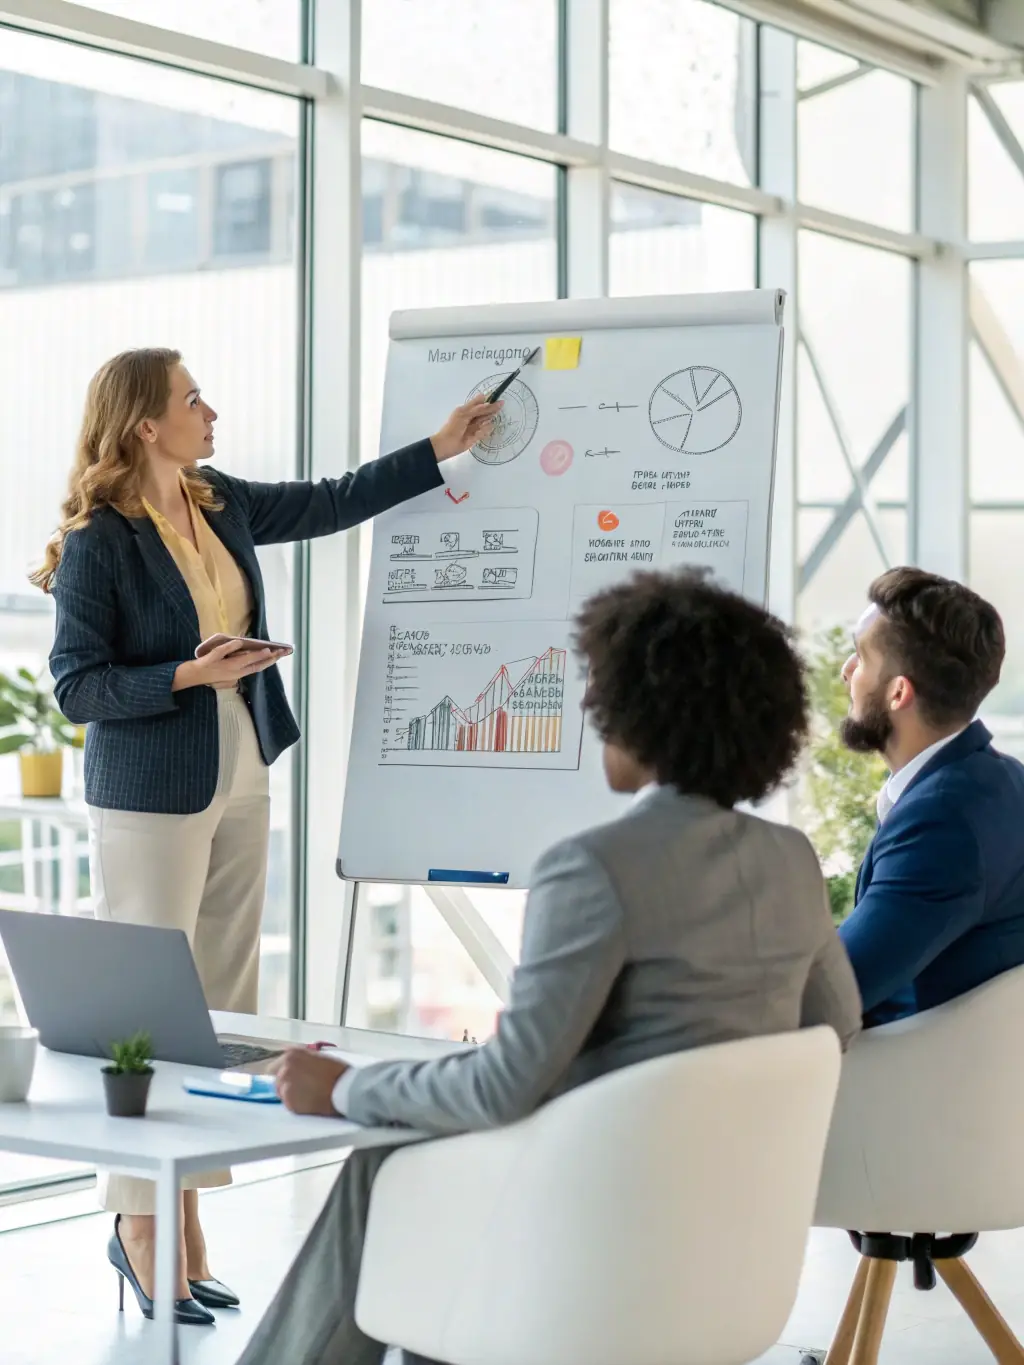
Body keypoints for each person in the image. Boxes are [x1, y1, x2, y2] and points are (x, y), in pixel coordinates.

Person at [235, 567, 862, 1365]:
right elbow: (835, 1027)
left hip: (590, 1230)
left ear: (636, 712)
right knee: (427, 1179)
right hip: (720, 1238)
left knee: (386, 1157)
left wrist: (347, 1085)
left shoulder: (596, 866)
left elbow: (505, 1086)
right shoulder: (791, 861)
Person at [33, 347, 499, 1326]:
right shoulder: (99, 540)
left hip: (241, 768)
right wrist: (186, 677)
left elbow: (330, 500)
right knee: (147, 1017)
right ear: (146, 425)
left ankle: (186, 1211)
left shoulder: (218, 501)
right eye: (192, 399)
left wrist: (439, 450)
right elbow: (77, 685)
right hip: (151, 789)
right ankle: (142, 1227)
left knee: (217, 1007)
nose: (212, 410)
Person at [837, 566, 1024, 1027]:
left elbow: (833, 990)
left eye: (860, 658)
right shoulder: (1001, 780)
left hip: (905, 1082)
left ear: (899, 692)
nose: (846, 672)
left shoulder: (942, 821)